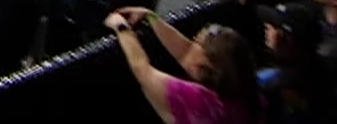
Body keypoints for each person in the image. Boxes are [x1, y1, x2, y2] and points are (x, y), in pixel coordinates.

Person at [104, 8, 264, 124]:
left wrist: (121, 28)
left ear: (206, 63)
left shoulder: (199, 101)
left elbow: (141, 69)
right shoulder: (249, 93)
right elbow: (185, 52)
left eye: (196, 42)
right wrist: (150, 16)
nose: (190, 44)